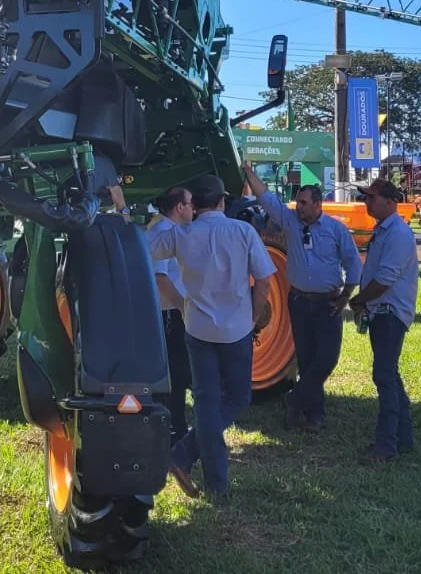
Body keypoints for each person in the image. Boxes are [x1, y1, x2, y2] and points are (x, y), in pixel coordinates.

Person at [140, 175, 275, 501]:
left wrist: (129, 210)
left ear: (195, 205)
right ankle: (189, 459)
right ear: (222, 202)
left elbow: (147, 247)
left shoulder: (181, 234)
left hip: (197, 328)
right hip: (235, 330)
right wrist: (255, 316)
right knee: (237, 398)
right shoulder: (243, 231)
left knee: (206, 401)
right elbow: (265, 281)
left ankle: (208, 475)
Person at [241, 161, 363, 433]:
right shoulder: (292, 223)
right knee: (306, 359)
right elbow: (267, 199)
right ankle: (312, 414)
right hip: (299, 301)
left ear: (318, 204)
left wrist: (345, 297)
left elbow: (353, 264)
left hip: (327, 303)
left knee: (327, 358)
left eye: (305, 203)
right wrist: (249, 173)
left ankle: (295, 399)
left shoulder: (335, 229)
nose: (299, 207)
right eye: (298, 202)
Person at [348, 178, 420, 463]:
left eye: (371, 198)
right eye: (365, 198)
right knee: (390, 374)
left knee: (384, 376)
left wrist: (359, 299)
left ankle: (386, 446)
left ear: (391, 202)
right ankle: (403, 438)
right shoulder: (387, 230)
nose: (366, 203)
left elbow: (385, 280)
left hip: (389, 312)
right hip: (383, 312)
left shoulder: (398, 234)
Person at [148, 186, 195, 444]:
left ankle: (172, 424)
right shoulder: (164, 232)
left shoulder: (163, 228)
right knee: (176, 374)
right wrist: (183, 307)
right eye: (190, 204)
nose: (193, 209)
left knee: (177, 372)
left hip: (171, 312)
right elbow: (160, 277)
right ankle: (174, 428)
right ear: (179, 207)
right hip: (170, 314)